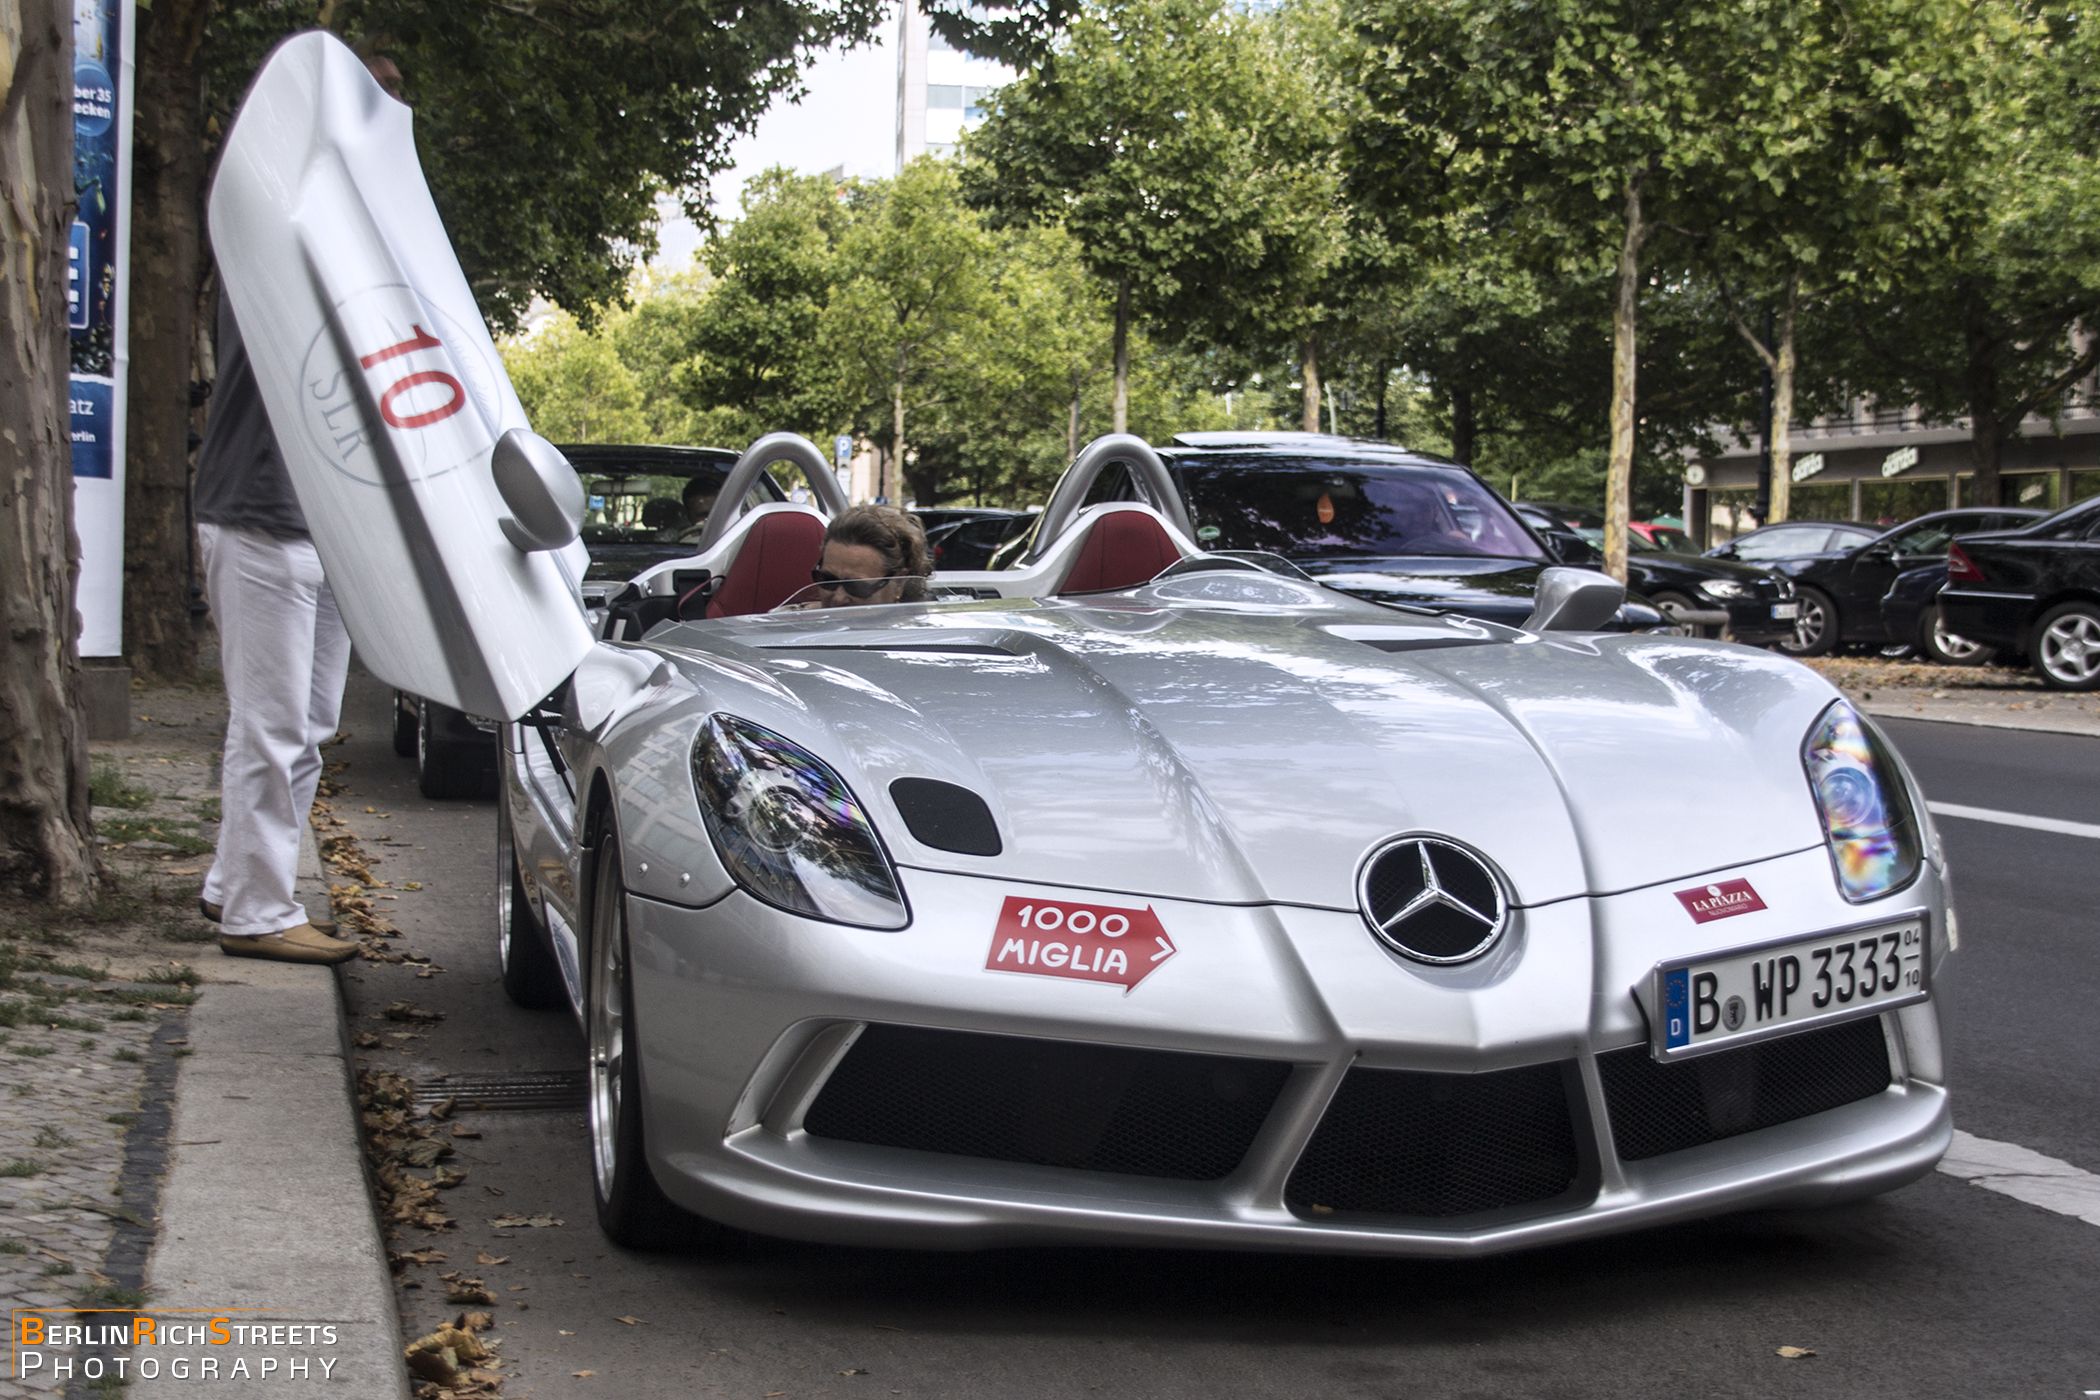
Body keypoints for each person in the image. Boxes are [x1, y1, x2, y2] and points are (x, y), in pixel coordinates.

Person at [194, 50, 405, 966]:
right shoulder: (281, 218)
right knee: (273, 726)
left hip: (326, 527)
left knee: (307, 726)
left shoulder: (351, 228)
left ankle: (233, 881)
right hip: (261, 514)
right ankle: (256, 911)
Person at [807, 505, 932, 608]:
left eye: (856, 586)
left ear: (899, 583)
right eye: (827, 580)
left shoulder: (925, 629)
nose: (838, 598)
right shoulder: (803, 623)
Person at [674, 477, 719, 543]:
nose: (701, 501)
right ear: (688, 516)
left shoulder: (731, 535)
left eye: (709, 515)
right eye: (701, 516)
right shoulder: (674, 539)